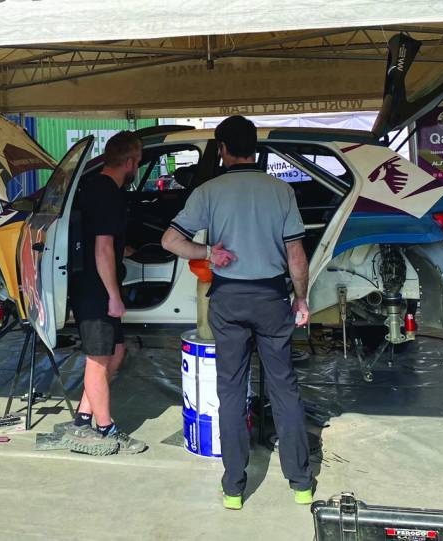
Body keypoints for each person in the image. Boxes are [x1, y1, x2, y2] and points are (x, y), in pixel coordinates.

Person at [162, 115, 313, 510]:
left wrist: (208, 253)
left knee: (230, 391)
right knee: (285, 388)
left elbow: (170, 240)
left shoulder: (208, 192)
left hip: (227, 300)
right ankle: (300, 484)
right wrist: (301, 299)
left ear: (223, 150)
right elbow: (296, 254)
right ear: (255, 148)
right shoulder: (281, 191)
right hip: (271, 299)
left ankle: (233, 488)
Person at [60, 131, 148, 456]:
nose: (137, 168)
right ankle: (105, 428)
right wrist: (114, 294)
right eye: (137, 162)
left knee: (117, 350)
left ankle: (84, 417)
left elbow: (103, 239)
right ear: (128, 162)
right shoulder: (107, 193)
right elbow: (102, 248)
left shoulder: (97, 187)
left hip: (97, 282)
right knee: (98, 358)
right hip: (95, 289)